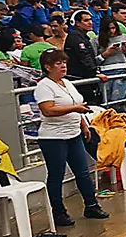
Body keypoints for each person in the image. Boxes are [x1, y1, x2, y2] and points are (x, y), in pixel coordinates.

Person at [33, 49, 109, 226]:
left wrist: (83, 123)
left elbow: (77, 104)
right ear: (48, 67)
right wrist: (75, 110)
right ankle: (58, 211)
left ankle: (91, 205)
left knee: (82, 172)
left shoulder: (66, 83)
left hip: (73, 133)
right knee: (56, 174)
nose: (63, 66)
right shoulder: (44, 86)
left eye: (64, 63)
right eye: (58, 64)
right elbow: (48, 110)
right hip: (53, 138)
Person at [64, 10, 108, 105]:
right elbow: (84, 55)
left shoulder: (81, 36)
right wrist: (94, 72)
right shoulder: (76, 36)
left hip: (83, 78)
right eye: (86, 20)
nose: (90, 23)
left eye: (90, 20)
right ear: (77, 23)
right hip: (80, 79)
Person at [97, 18, 126, 109]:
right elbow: (93, 62)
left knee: (117, 101)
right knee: (107, 103)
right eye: (109, 29)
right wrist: (105, 54)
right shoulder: (96, 40)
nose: (112, 31)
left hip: (122, 72)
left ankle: (123, 121)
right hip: (105, 73)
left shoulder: (125, 38)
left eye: (114, 28)